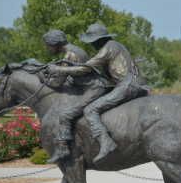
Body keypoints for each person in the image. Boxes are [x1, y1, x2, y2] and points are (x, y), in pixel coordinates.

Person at [46, 24, 151, 165]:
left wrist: (57, 69)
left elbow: (86, 68)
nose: (91, 45)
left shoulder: (108, 48)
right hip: (133, 83)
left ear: (97, 40)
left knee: (90, 109)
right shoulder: (114, 46)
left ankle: (106, 141)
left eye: (92, 42)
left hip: (128, 84)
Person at [40, 29, 110, 164]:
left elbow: (58, 82)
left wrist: (44, 79)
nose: (47, 48)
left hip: (95, 88)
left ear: (53, 44)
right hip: (96, 85)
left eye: (47, 45)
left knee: (65, 114)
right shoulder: (75, 50)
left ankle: (62, 148)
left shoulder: (69, 55)